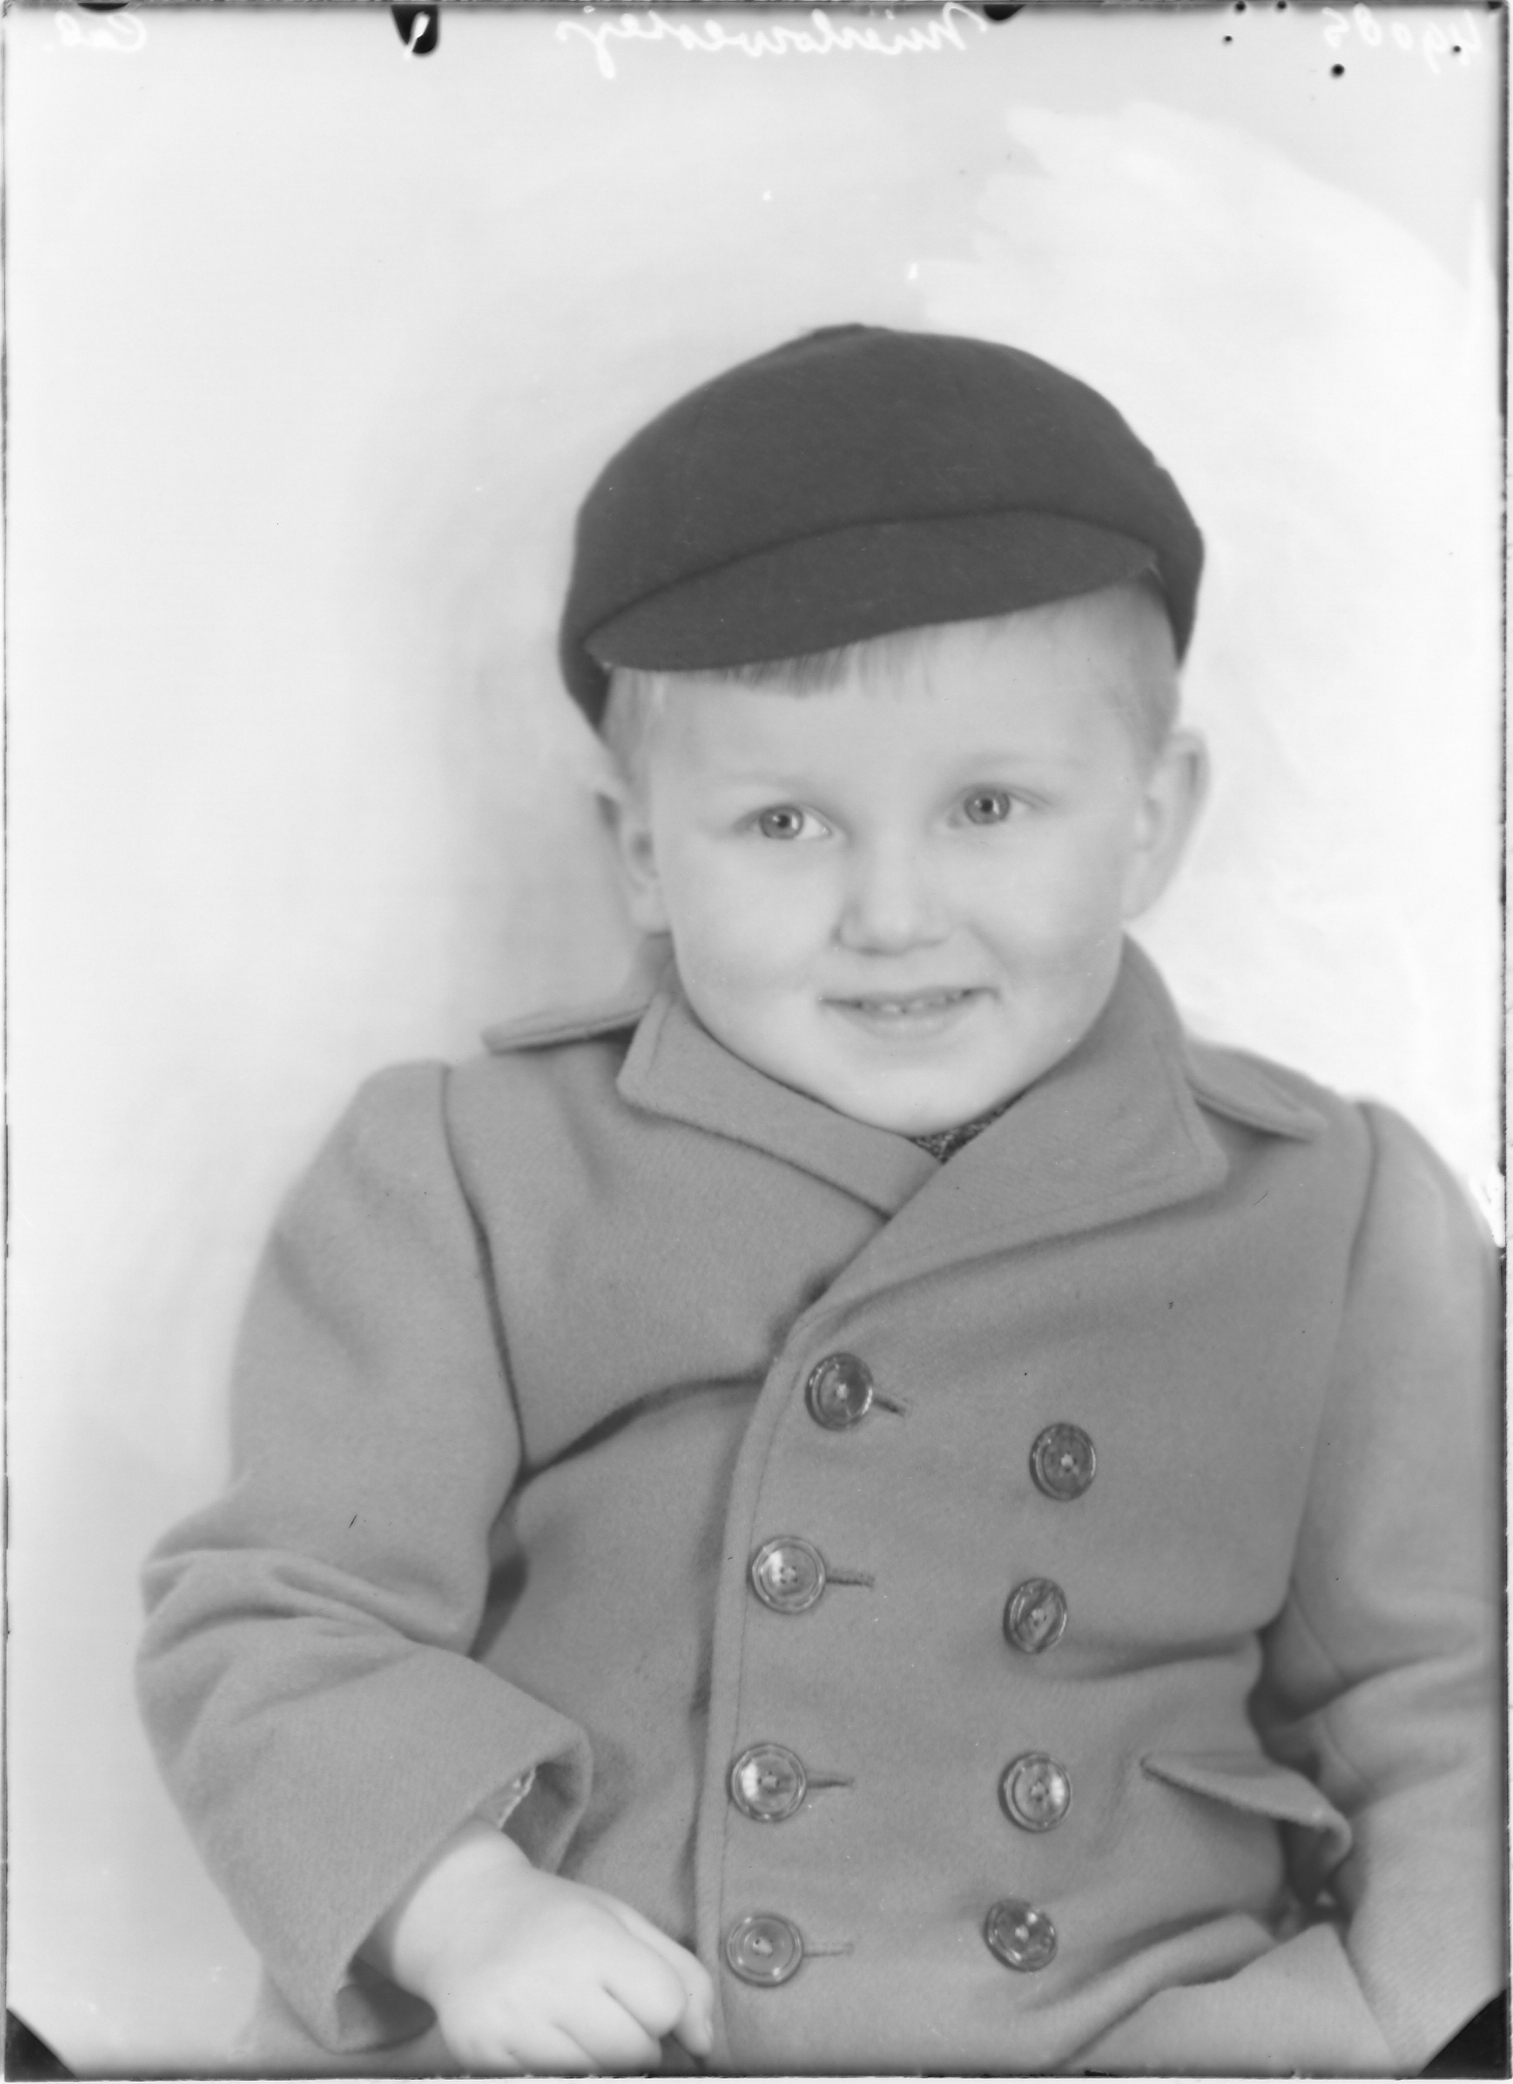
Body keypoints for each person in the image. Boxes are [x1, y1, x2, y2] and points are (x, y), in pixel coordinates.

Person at [137, 325, 1502, 2078]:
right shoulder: (463, 1169)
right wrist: (461, 1908)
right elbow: (279, 1614)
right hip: (598, 2032)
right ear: (643, 850)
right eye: (784, 825)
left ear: (1150, 821)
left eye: (988, 806)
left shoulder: (1332, 1211)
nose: (890, 912)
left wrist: (1409, 2028)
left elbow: (1446, 1699)